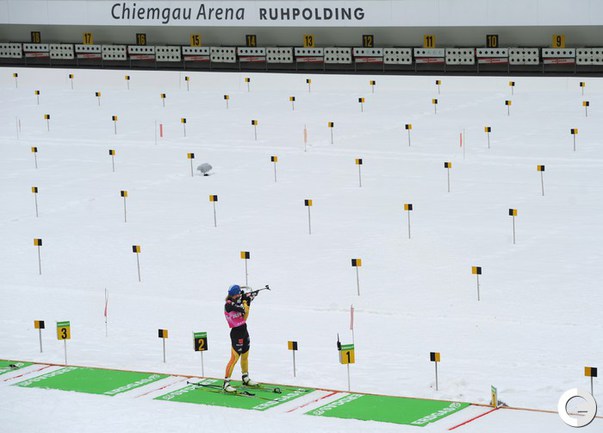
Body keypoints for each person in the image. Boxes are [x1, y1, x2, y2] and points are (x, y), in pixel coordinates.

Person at [223, 284, 258, 392]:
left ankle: (245, 377)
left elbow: (245, 316)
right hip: (236, 333)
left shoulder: (238, 301)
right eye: (237, 295)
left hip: (244, 330)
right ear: (234, 295)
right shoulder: (228, 305)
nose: (239, 296)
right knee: (234, 359)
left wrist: (249, 300)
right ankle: (226, 383)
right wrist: (245, 301)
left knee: (245, 356)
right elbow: (242, 309)